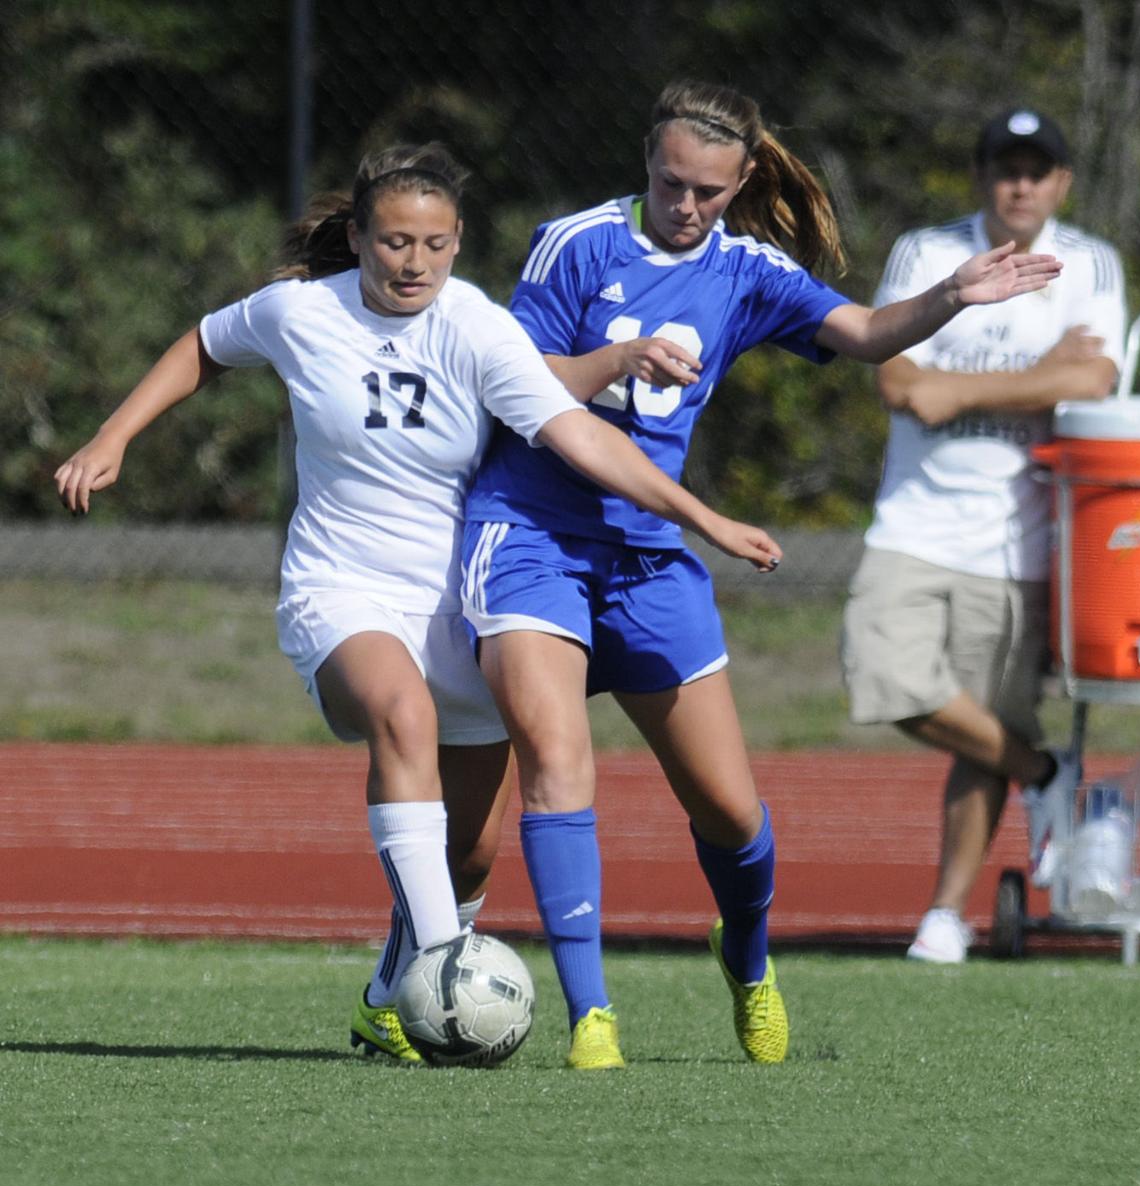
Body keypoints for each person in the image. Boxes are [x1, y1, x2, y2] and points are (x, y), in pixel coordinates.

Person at [53, 141, 784, 1064]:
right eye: (396, 242)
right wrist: (113, 438)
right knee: (401, 715)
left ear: (458, 244)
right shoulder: (299, 312)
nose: (415, 263)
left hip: (453, 601)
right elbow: (203, 343)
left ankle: (385, 997)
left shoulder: (477, 327)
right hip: (339, 587)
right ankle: (444, 971)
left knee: (468, 857)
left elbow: (579, 439)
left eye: (437, 246)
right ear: (358, 238)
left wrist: (701, 517)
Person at [462, 81, 1063, 1068]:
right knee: (557, 765)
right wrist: (612, 359)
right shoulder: (575, 243)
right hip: (530, 531)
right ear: (645, 165)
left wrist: (952, 297)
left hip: (649, 555)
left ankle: (746, 958)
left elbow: (865, 332)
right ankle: (590, 1019)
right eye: (668, 183)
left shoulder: (747, 270)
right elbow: (513, 384)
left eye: (706, 189)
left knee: (732, 813)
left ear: (740, 181)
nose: (685, 205)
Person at [840, 108, 1127, 963]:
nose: (1022, 184)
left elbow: (1098, 380)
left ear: (1062, 183)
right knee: (880, 671)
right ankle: (1049, 774)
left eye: (1039, 170)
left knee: (988, 724)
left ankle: (945, 915)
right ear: (983, 175)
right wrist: (1042, 379)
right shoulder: (927, 254)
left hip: (1021, 535)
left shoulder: (1091, 264)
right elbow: (898, 381)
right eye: (1008, 167)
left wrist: (958, 388)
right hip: (916, 522)